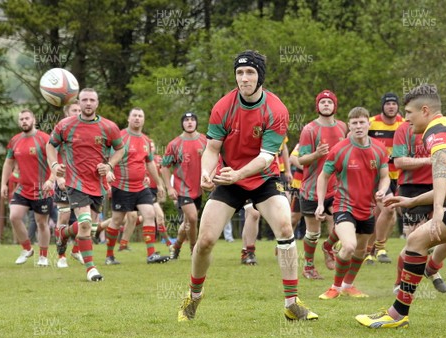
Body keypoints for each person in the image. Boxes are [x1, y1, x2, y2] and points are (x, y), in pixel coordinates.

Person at [178, 50, 318, 321]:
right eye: (240, 73)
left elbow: (267, 158)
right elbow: (211, 148)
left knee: (286, 226)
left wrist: (238, 174)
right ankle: (194, 296)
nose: (244, 78)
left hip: (262, 177)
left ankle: (292, 303)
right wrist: (207, 173)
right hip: (230, 178)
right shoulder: (223, 106)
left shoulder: (276, 109)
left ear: (260, 76)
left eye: (250, 72)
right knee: (205, 240)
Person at [356, 84, 446, 328]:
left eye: (409, 113)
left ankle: (397, 314)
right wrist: (412, 201)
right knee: (417, 242)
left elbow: (441, 163)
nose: (406, 119)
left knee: (416, 242)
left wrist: (437, 213)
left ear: (425, 110)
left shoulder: (435, 127)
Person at [47, 88, 124, 282]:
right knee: (85, 223)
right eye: (84, 100)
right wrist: (55, 165)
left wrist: (108, 166)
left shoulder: (109, 127)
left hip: (98, 184)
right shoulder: (65, 125)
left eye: (92, 100)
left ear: (97, 103)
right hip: (75, 182)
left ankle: (63, 233)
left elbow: (120, 149)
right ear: (78, 103)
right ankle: (91, 269)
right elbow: (50, 145)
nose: (88, 103)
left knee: (89, 228)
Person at [315, 107, 389, 299]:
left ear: (368, 124)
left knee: (361, 251)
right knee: (348, 246)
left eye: (361, 122)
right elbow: (323, 177)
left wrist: (382, 189)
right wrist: (321, 203)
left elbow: (385, 176)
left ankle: (348, 285)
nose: (358, 126)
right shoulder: (340, 150)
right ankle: (335, 287)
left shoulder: (380, 149)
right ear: (349, 125)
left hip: (368, 207)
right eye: (354, 123)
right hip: (344, 205)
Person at [101, 107, 169, 265]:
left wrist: (159, 184)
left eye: (140, 116)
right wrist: (107, 173)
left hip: (141, 187)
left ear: (143, 120)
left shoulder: (146, 140)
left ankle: (151, 254)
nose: (137, 118)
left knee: (150, 213)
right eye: (134, 116)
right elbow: (106, 156)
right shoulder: (120, 137)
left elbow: (150, 162)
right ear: (128, 119)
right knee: (117, 220)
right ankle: (109, 256)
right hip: (121, 186)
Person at [392, 122, 446, 293]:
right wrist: (429, 160)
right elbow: (399, 162)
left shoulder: (443, 128)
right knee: (415, 241)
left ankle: (432, 268)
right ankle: (399, 282)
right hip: (412, 187)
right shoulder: (404, 129)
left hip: (440, 184)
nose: (409, 115)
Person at [298, 90, 347, 279]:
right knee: (313, 232)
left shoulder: (343, 127)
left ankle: (329, 247)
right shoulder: (309, 130)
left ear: (335, 106)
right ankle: (309, 267)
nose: (326, 105)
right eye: (322, 102)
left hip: (337, 187)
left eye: (329, 102)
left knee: (341, 223)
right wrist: (316, 155)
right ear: (317, 106)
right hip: (312, 189)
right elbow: (302, 160)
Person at [0, 109, 53, 267]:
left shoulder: (44, 139)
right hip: (23, 188)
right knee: (14, 216)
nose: (24, 121)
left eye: (27, 118)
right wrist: (3, 183)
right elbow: (8, 163)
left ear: (33, 120)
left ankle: (43, 256)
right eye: (21, 119)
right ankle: (27, 249)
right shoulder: (15, 140)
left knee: (41, 223)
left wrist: (51, 180)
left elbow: (54, 160)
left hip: (42, 188)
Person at [364, 93, 405, 265]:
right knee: (388, 211)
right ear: (383, 106)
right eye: (387, 103)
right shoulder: (371, 122)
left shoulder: (404, 124)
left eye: (394, 104)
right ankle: (379, 248)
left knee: (381, 214)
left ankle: (370, 250)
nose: (391, 106)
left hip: (399, 176)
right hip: (377, 176)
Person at [161, 112, 207, 260]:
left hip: (199, 188)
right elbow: (165, 167)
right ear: (182, 123)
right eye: (186, 120)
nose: (189, 122)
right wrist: (169, 187)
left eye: (192, 120)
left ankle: (176, 247)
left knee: (187, 223)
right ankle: (194, 249)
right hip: (182, 189)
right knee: (193, 218)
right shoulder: (174, 144)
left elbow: (214, 160)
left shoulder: (205, 141)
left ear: (196, 123)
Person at [53, 102, 83, 268]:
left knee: (86, 220)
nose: (78, 113)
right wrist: (58, 177)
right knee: (63, 217)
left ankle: (76, 249)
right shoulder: (61, 129)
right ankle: (61, 256)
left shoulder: (86, 129)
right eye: (74, 110)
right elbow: (52, 152)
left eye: (79, 110)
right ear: (66, 113)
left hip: (83, 180)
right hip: (65, 178)